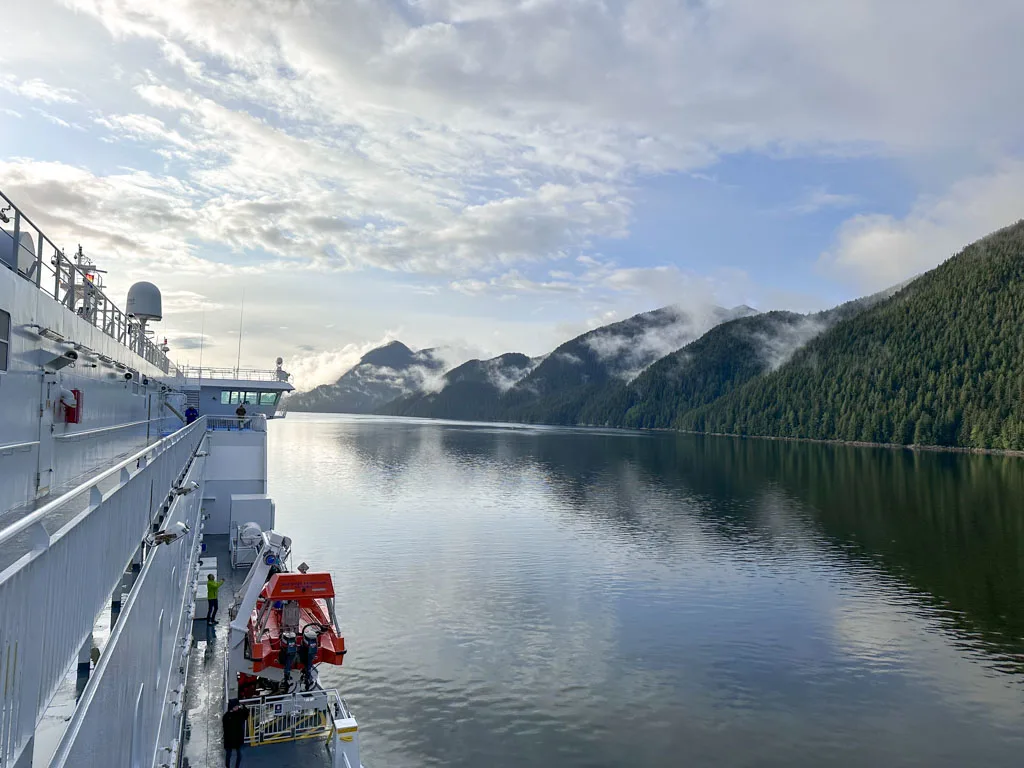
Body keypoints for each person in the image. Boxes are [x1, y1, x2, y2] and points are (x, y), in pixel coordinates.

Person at [222, 698, 249, 768]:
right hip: (231, 738)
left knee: (238, 754)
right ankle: (228, 766)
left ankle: (235, 767)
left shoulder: (236, 713)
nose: (237, 708)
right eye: (236, 707)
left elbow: (246, 714)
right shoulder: (227, 716)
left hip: (236, 738)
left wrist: (243, 707)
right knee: (230, 754)